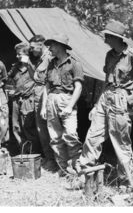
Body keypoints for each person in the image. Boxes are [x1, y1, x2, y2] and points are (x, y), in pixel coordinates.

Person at [79, 20, 133, 188]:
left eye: (107, 36)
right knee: (92, 138)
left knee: (121, 144)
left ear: (115, 38)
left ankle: (127, 183)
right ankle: (85, 177)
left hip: (121, 101)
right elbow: (107, 81)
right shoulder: (110, 55)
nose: (104, 39)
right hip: (105, 98)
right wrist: (97, 105)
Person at [41, 33, 84, 176]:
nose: (49, 49)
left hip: (67, 99)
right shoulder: (51, 64)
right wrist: (43, 106)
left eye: (52, 45)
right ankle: (64, 169)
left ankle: (77, 165)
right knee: (55, 137)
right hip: (52, 99)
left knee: (71, 134)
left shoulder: (74, 64)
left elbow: (78, 87)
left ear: (60, 46)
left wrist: (70, 106)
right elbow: (46, 86)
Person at [27, 34, 58, 172]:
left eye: (33, 47)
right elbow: (35, 77)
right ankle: (49, 157)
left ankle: (55, 159)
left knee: (49, 128)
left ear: (41, 45)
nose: (31, 50)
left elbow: (49, 80)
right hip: (39, 92)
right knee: (41, 129)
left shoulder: (50, 58)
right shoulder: (39, 59)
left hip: (48, 93)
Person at [8, 42, 42, 154]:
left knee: (29, 127)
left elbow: (39, 81)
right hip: (16, 100)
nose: (17, 56)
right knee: (16, 127)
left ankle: (34, 153)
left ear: (27, 54)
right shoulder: (15, 68)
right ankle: (23, 151)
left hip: (29, 99)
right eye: (16, 54)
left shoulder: (35, 66)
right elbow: (9, 82)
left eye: (19, 54)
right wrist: (11, 89)